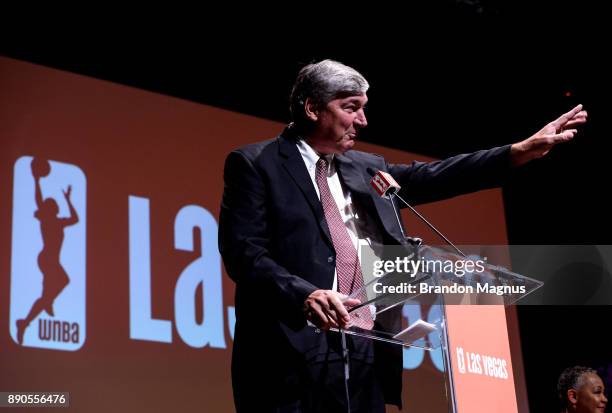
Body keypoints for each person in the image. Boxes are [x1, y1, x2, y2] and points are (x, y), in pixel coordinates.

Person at [218, 59, 588, 412]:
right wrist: (306, 294)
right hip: (289, 353)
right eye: (351, 107)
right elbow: (243, 252)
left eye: (364, 107)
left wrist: (516, 152)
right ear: (313, 108)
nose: (363, 120)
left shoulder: (366, 169)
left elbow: (440, 175)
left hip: (365, 350)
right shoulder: (256, 164)